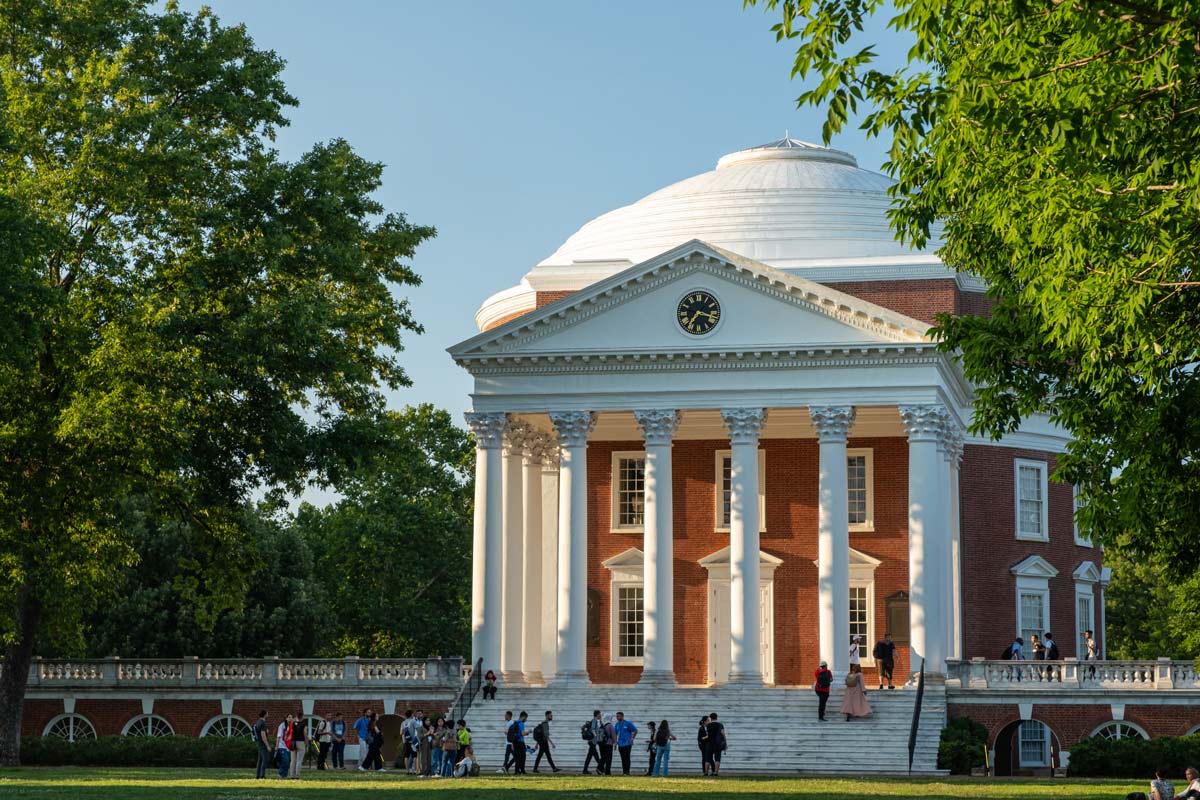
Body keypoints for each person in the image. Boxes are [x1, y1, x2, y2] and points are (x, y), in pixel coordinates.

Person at [613, 711, 638, 775]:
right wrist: (615, 742)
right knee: (623, 758)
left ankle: (627, 772)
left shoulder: (627, 723)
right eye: (616, 716)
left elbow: (635, 730)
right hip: (620, 743)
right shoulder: (617, 724)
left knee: (627, 757)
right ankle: (624, 772)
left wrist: (632, 738)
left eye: (618, 716)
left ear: (622, 716)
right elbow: (615, 734)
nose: (617, 717)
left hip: (627, 743)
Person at [582, 709, 603, 774]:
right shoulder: (594, 721)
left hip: (591, 741)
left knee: (589, 756)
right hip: (592, 741)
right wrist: (596, 736)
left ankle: (585, 770)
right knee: (595, 756)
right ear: (597, 714)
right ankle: (601, 768)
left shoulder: (595, 721)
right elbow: (593, 729)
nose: (600, 715)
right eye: (600, 714)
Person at [275, 713, 293, 779]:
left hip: (289, 747)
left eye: (291, 717)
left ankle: (283, 776)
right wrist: (276, 746)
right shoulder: (282, 726)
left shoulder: (292, 726)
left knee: (287, 762)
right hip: (282, 746)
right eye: (289, 717)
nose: (290, 718)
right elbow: (278, 737)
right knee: (285, 760)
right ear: (286, 718)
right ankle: (280, 774)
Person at [253, 710, 271, 779]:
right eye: (267, 713)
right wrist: (267, 746)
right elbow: (263, 736)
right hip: (263, 744)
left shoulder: (257, 722)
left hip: (258, 743)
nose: (268, 714)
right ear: (265, 714)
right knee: (265, 759)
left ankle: (258, 775)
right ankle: (262, 775)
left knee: (260, 760)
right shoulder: (262, 723)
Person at [290, 713, 307, 779]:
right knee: (299, 760)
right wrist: (306, 743)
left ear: (297, 717)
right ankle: (297, 775)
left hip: (293, 742)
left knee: (293, 760)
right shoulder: (304, 724)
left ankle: (292, 775)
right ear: (302, 717)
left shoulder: (293, 724)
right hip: (301, 742)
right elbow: (305, 734)